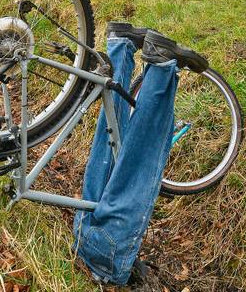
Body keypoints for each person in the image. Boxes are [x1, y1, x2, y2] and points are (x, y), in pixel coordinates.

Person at [72, 22, 208, 285]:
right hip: (97, 245)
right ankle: (140, 58)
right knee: (136, 149)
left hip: (94, 240)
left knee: (119, 143)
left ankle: (127, 52)